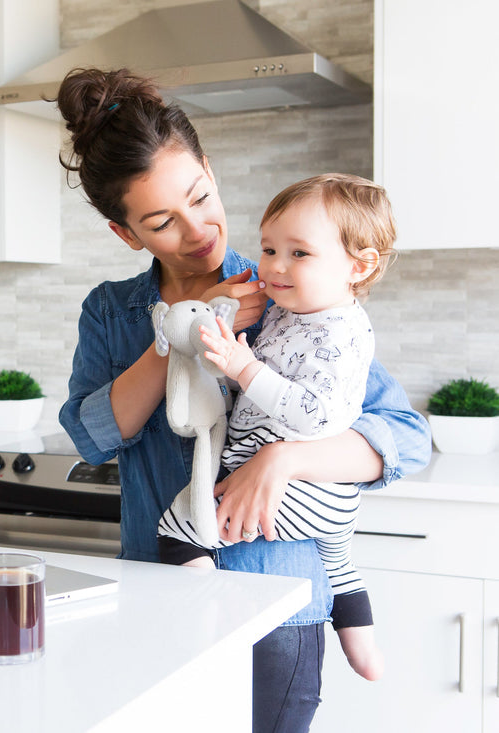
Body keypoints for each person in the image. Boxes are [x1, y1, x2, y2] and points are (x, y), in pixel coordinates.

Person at [56, 68, 431, 732]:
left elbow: (401, 433)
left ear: (210, 168)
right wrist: (184, 332)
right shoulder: (111, 313)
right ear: (126, 234)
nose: (198, 230)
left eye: (201, 196)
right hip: (154, 595)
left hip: (279, 600)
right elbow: (92, 436)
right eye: (162, 221)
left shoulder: (293, 286)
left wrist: (284, 458)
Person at [156, 173, 398, 682]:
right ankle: (366, 653)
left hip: (302, 488)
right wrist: (229, 364)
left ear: (360, 265)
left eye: (299, 253)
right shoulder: (294, 312)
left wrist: (244, 369)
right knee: (340, 565)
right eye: (268, 248)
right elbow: (259, 391)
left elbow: (315, 414)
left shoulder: (341, 331)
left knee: (179, 528)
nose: (275, 266)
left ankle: (211, 617)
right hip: (325, 498)